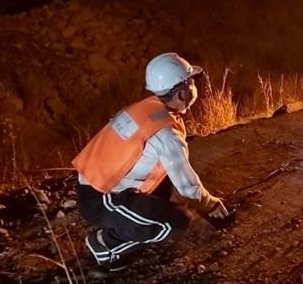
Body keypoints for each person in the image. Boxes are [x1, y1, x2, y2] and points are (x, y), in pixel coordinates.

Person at [72, 52, 230, 275]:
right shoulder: (166, 134)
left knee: (164, 180)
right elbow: (187, 186)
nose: (194, 87)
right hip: (102, 199)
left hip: (94, 185)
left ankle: (134, 223)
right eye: (190, 82)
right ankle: (107, 245)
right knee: (176, 222)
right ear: (181, 92)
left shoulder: (149, 108)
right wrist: (210, 204)